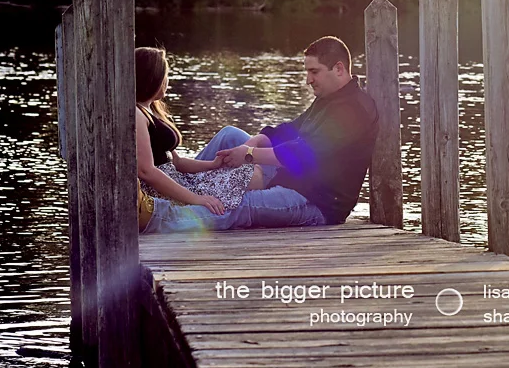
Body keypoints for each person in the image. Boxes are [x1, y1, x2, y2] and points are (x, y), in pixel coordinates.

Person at [143, 36, 379, 233]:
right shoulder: (327, 98)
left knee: (236, 204)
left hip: (316, 201)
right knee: (230, 135)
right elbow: (290, 130)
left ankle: (155, 218)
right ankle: (182, 190)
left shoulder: (353, 110)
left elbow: (305, 153)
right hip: (291, 176)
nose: (308, 80)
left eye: (314, 71)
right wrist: (255, 141)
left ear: (338, 68)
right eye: (307, 71)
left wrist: (248, 154)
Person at [134, 47, 257, 223]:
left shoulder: (151, 110)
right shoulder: (138, 114)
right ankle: (295, 195)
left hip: (180, 181)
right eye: (165, 75)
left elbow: (177, 162)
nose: (167, 81)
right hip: (164, 192)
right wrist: (195, 199)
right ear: (153, 78)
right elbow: (146, 171)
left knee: (243, 171)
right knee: (244, 182)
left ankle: (289, 183)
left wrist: (213, 165)